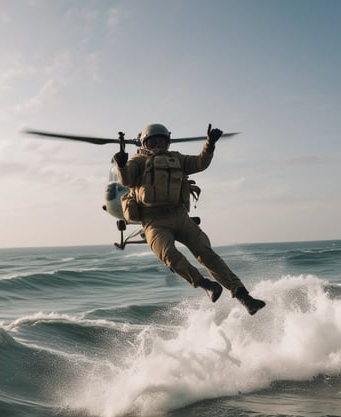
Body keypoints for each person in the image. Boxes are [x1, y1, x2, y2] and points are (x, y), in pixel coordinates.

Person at [114, 123, 266, 315]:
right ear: (145, 143)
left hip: (180, 216)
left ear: (168, 142)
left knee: (207, 254)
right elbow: (126, 180)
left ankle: (245, 297)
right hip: (154, 221)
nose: (158, 145)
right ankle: (205, 284)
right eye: (153, 141)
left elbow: (201, 163)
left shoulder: (177, 158)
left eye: (163, 141)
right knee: (169, 254)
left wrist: (209, 144)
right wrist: (121, 164)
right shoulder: (138, 161)